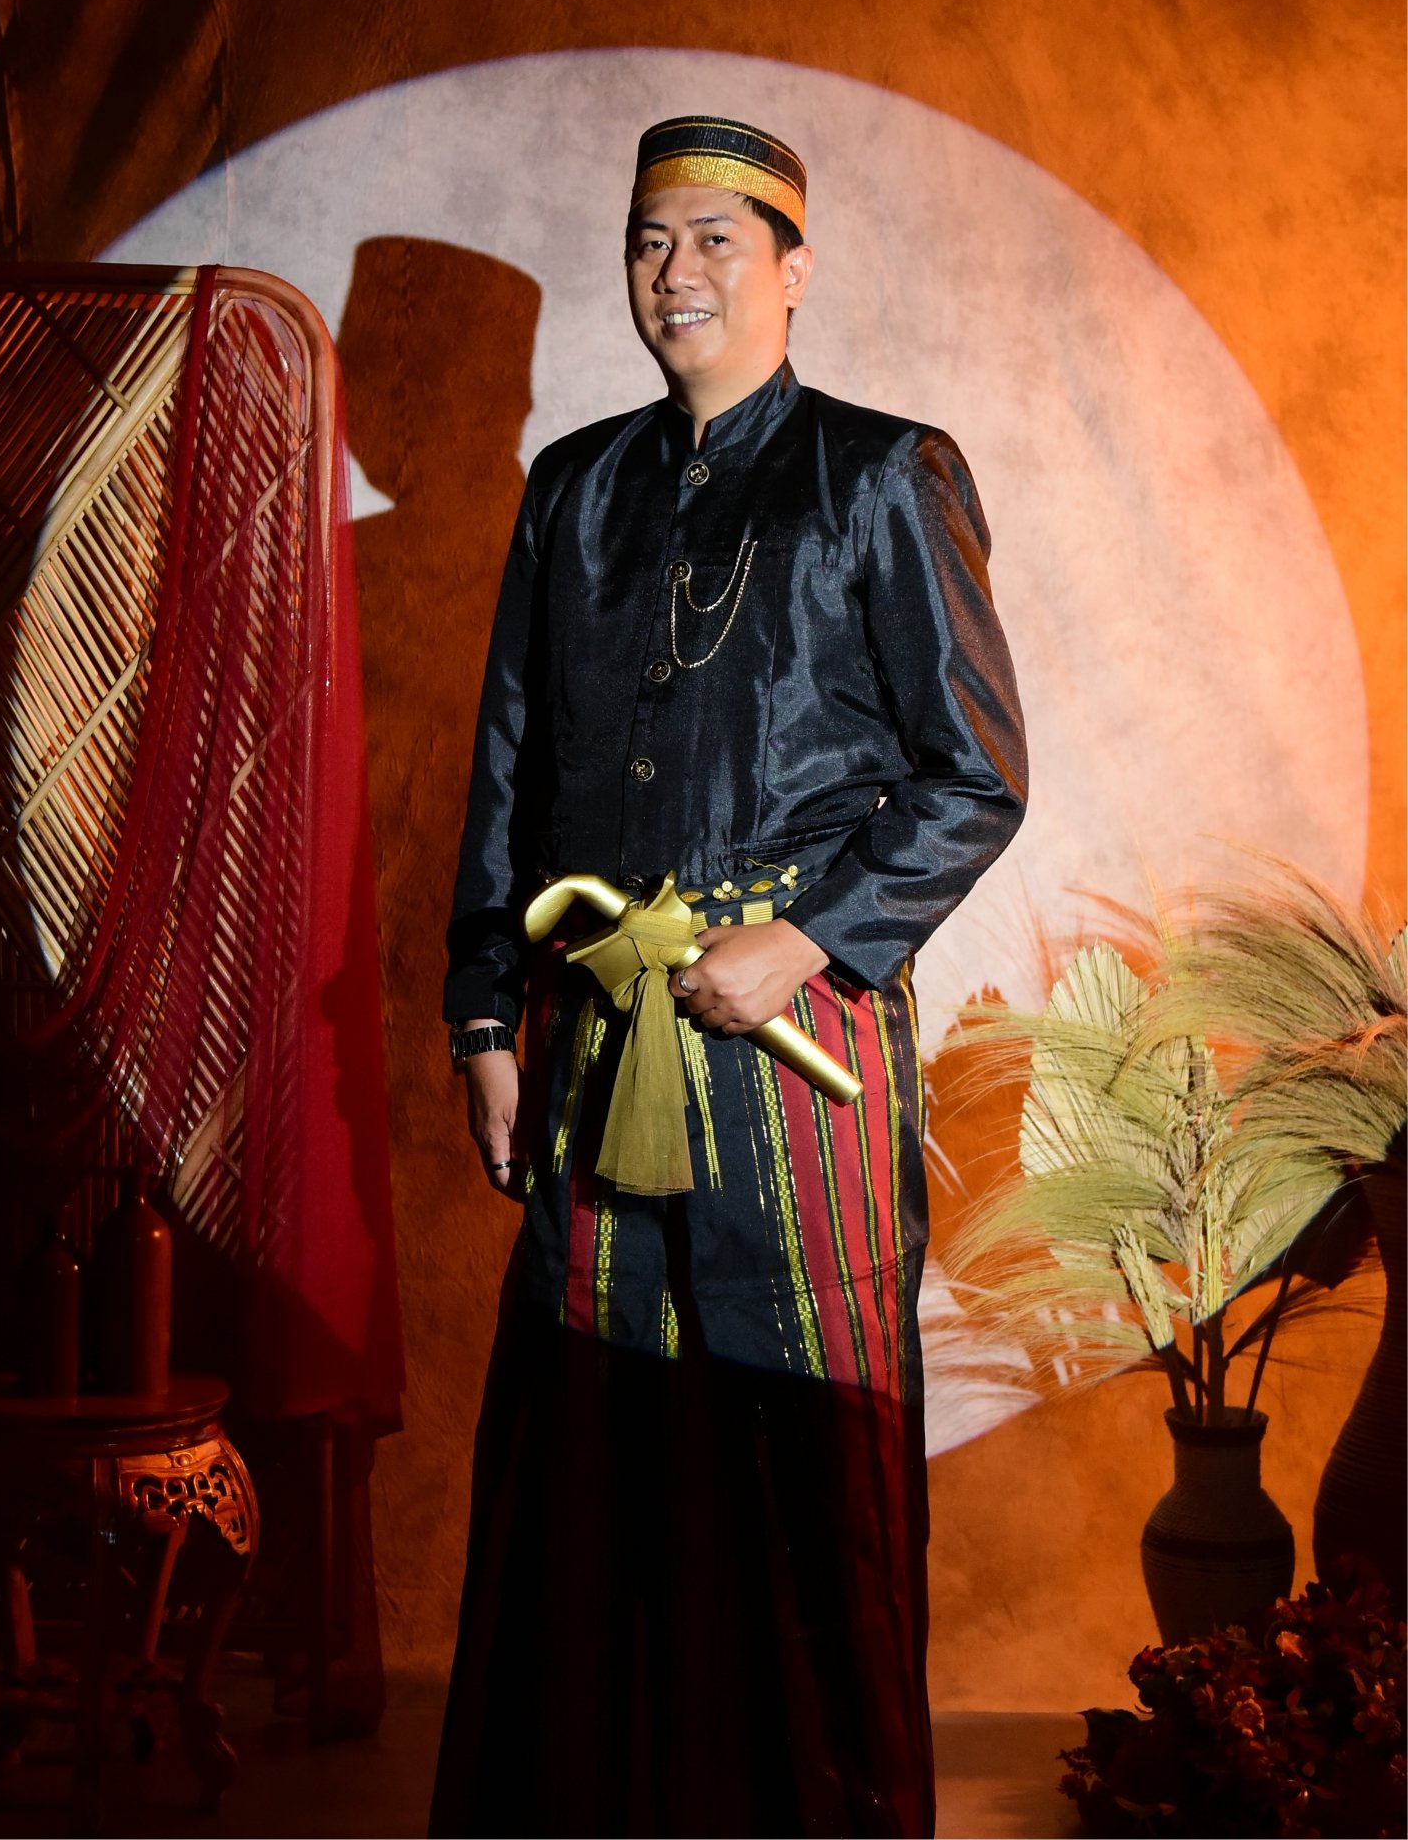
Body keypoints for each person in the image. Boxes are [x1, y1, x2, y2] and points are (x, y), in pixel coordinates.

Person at [428, 114, 1028, 1839]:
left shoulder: (884, 475)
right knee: (598, 1451)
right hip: (592, 1034)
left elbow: (976, 774)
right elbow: (511, 774)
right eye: (648, 242)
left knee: (792, 1454)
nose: (674, 272)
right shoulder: (573, 490)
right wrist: (486, 1014)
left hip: (795, 1054)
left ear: (793, 269)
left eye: (713, 240)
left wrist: (810, 937)